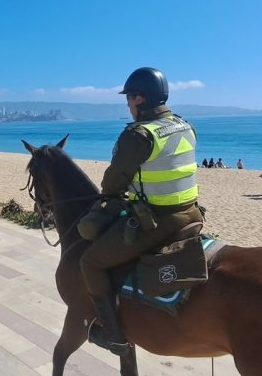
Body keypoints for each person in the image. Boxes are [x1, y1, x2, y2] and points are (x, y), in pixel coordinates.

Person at [78, 67, 204, 357]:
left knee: (91, 263)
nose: (128, 105)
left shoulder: (139, 134)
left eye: (129, 100)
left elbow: (112, 182)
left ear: (140, 98)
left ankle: (115, 337)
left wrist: (109, 198)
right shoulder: (185, 126)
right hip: (193, 213)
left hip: (159, 221)